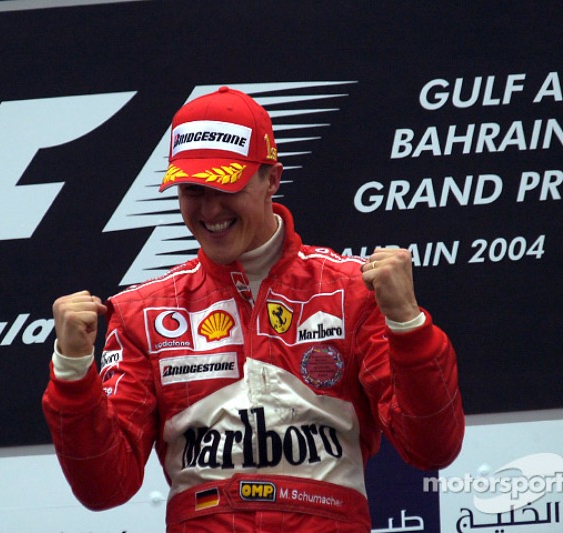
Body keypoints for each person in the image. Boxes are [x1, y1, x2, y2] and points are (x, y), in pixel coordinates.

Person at [42, 86, 465, 532]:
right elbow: (105, 488)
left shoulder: (352, 291)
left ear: (272, 179)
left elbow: (432, 448)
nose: (209, 209)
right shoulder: (141, 312)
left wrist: (408, 326)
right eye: (192, 190)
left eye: (226, 185)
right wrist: (72, 373)